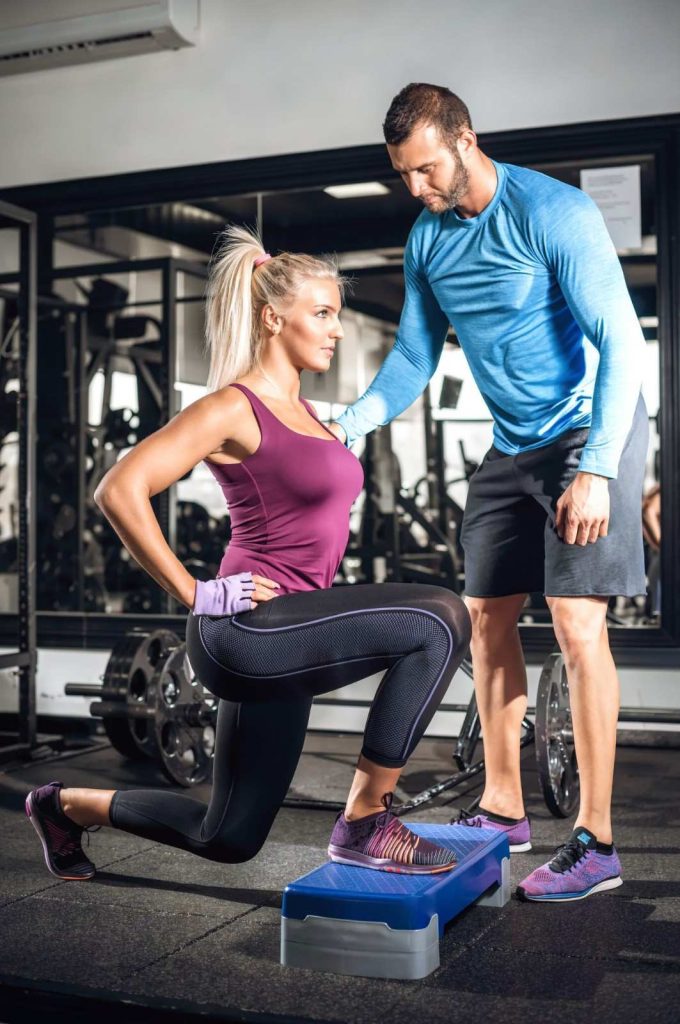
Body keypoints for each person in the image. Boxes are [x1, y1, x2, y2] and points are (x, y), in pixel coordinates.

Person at [26, 226, 472, 882]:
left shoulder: (312, 413)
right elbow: (118, 488)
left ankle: (63, 807)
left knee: (229, 837)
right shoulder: (232, 407)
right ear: (272, 317)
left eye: (336, 316)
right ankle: (367, 821)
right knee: (439, 619)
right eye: (322, 314)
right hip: (246, 630)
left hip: (294, 629)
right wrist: (195, 592)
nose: (336, 330)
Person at [330, 83, 648, 902]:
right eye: (403, 175)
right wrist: (351, 422)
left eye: (426, 169)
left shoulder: (555, 213)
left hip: (587, 431)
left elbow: (621, 346)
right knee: (483, 616)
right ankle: (505, 805)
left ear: (467, 139)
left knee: (577, 624)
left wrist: (600, 468)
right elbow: (412, 356)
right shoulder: (426, 238)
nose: (417, 190)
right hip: (511, 445)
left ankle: (597, 839)